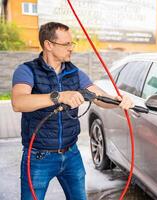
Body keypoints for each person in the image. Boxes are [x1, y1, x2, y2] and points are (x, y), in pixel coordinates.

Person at [11, 22, 134, 200]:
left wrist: (117, 101)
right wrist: (59, 96)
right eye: (66, 44)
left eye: (72, 43)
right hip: (38, 157)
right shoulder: (27, 70)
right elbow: (18, 102)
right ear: (49, 45)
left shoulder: (75, 73)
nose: (71, 48)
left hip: (71, 154)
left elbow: (99, 98)